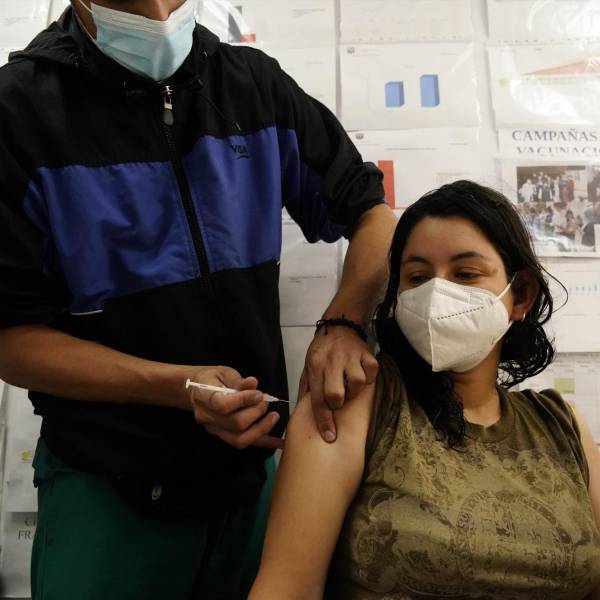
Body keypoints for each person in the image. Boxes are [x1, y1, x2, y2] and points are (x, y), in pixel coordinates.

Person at [0, 1, 396, 598]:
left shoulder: (254, 86)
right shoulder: (19, 112)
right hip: (106, 489)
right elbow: (11, 340)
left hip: (254, 477)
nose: (159, 12)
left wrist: (344, 321)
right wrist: (178, 387)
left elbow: (373, 215)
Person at [249, 180, 600, 600]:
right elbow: (286, 588)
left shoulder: (561, 426)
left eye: (465, 274)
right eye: (417, 277)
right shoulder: (352, 404)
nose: (436, 293)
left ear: (520, 294)